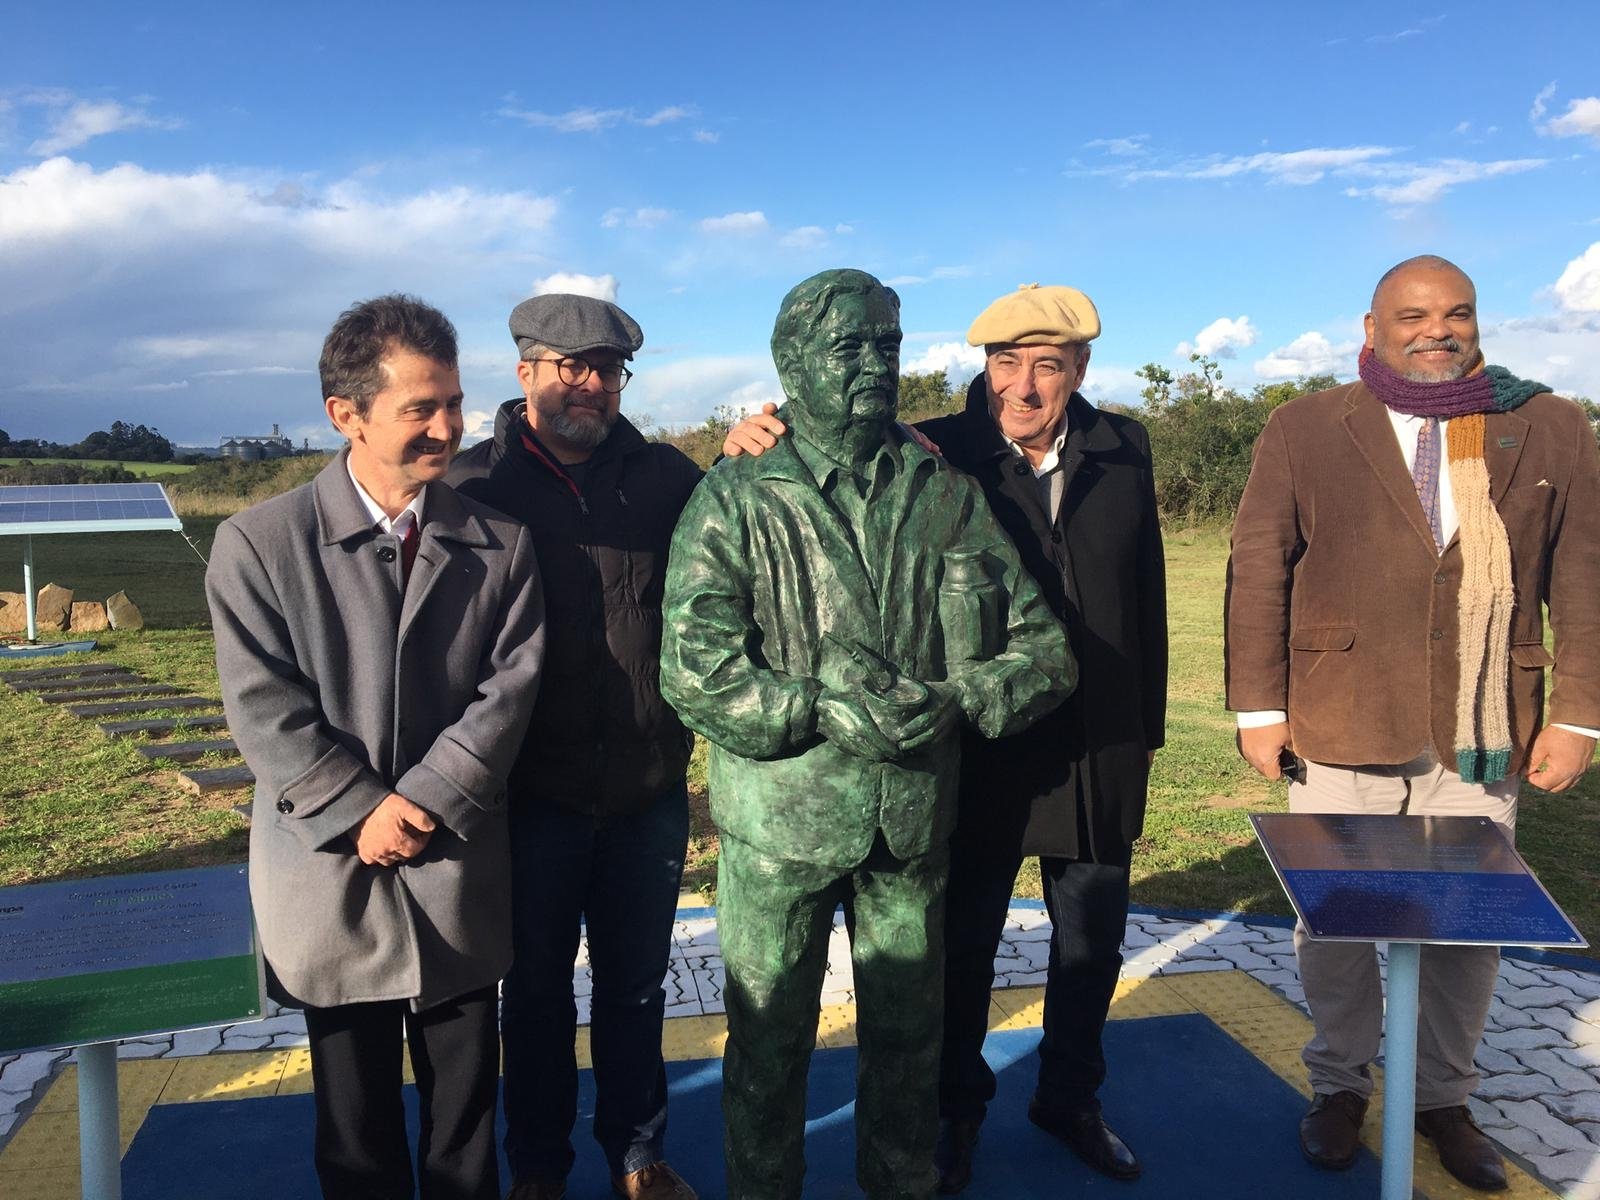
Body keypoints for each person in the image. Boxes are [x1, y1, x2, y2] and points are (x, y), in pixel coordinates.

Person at [724, 283, 1167, 1190]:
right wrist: (818, 706)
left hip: (1016, 771)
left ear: (1080, 369)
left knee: (1027, 976)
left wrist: (986, 699)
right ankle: (891, 1142)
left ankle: (1033, 1116)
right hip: (879, 788)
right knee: (853, 1003)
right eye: (1008, 363)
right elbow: (699, 660)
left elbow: (1103, 619)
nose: (1026, 384)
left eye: (1048, 364)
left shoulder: (1070, 460)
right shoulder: (890, 461)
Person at [662, 268, 1075, 1200]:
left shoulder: (946, 491)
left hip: (911, 821)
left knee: (908, 1045)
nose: (873, 364)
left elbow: (1044, 651)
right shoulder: (733, 498)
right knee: (768, 1044)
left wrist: (965, 695)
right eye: (848, 346)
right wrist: (815, 706)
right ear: (792, 365)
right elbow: (695, 671)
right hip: (782, 828)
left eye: (886, 345)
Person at [1226, 254, 1600, 1192]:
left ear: (1478, 322)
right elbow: (1260, 565)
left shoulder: (1548, 424)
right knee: (1340, 928)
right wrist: (1260, 709)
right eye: (1414, 315)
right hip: (1337, 719)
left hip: (1483, 728)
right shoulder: (1306, 425)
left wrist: (1582, 717)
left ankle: (1444, 1100)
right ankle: (1341, 1088)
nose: (1438, 329)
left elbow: (1585, 576)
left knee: (1465, 931)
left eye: (1457, 313)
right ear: (1371, 327)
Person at [206, 294, 545, 1199]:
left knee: (466, 1120)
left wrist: (424, 799)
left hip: (455, 864)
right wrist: (363, 810)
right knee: (354, 1129)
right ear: (345, 416)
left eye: (454, 402)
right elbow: (262, 704)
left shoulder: (501, 545)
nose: (448, 427)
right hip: (329, 869)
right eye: (420, 408)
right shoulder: (258, 545)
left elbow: (510, 688)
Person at [447, 293, 702, 1200]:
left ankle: (638, 1157)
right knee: (538, 998)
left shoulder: (672, 479)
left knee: (636, 992)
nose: (591, 386)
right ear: (525, 374)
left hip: (646, 785)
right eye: (571, 367)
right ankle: (538, 1170)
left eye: (608, 369)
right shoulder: (473, 488)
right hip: (528, 796)